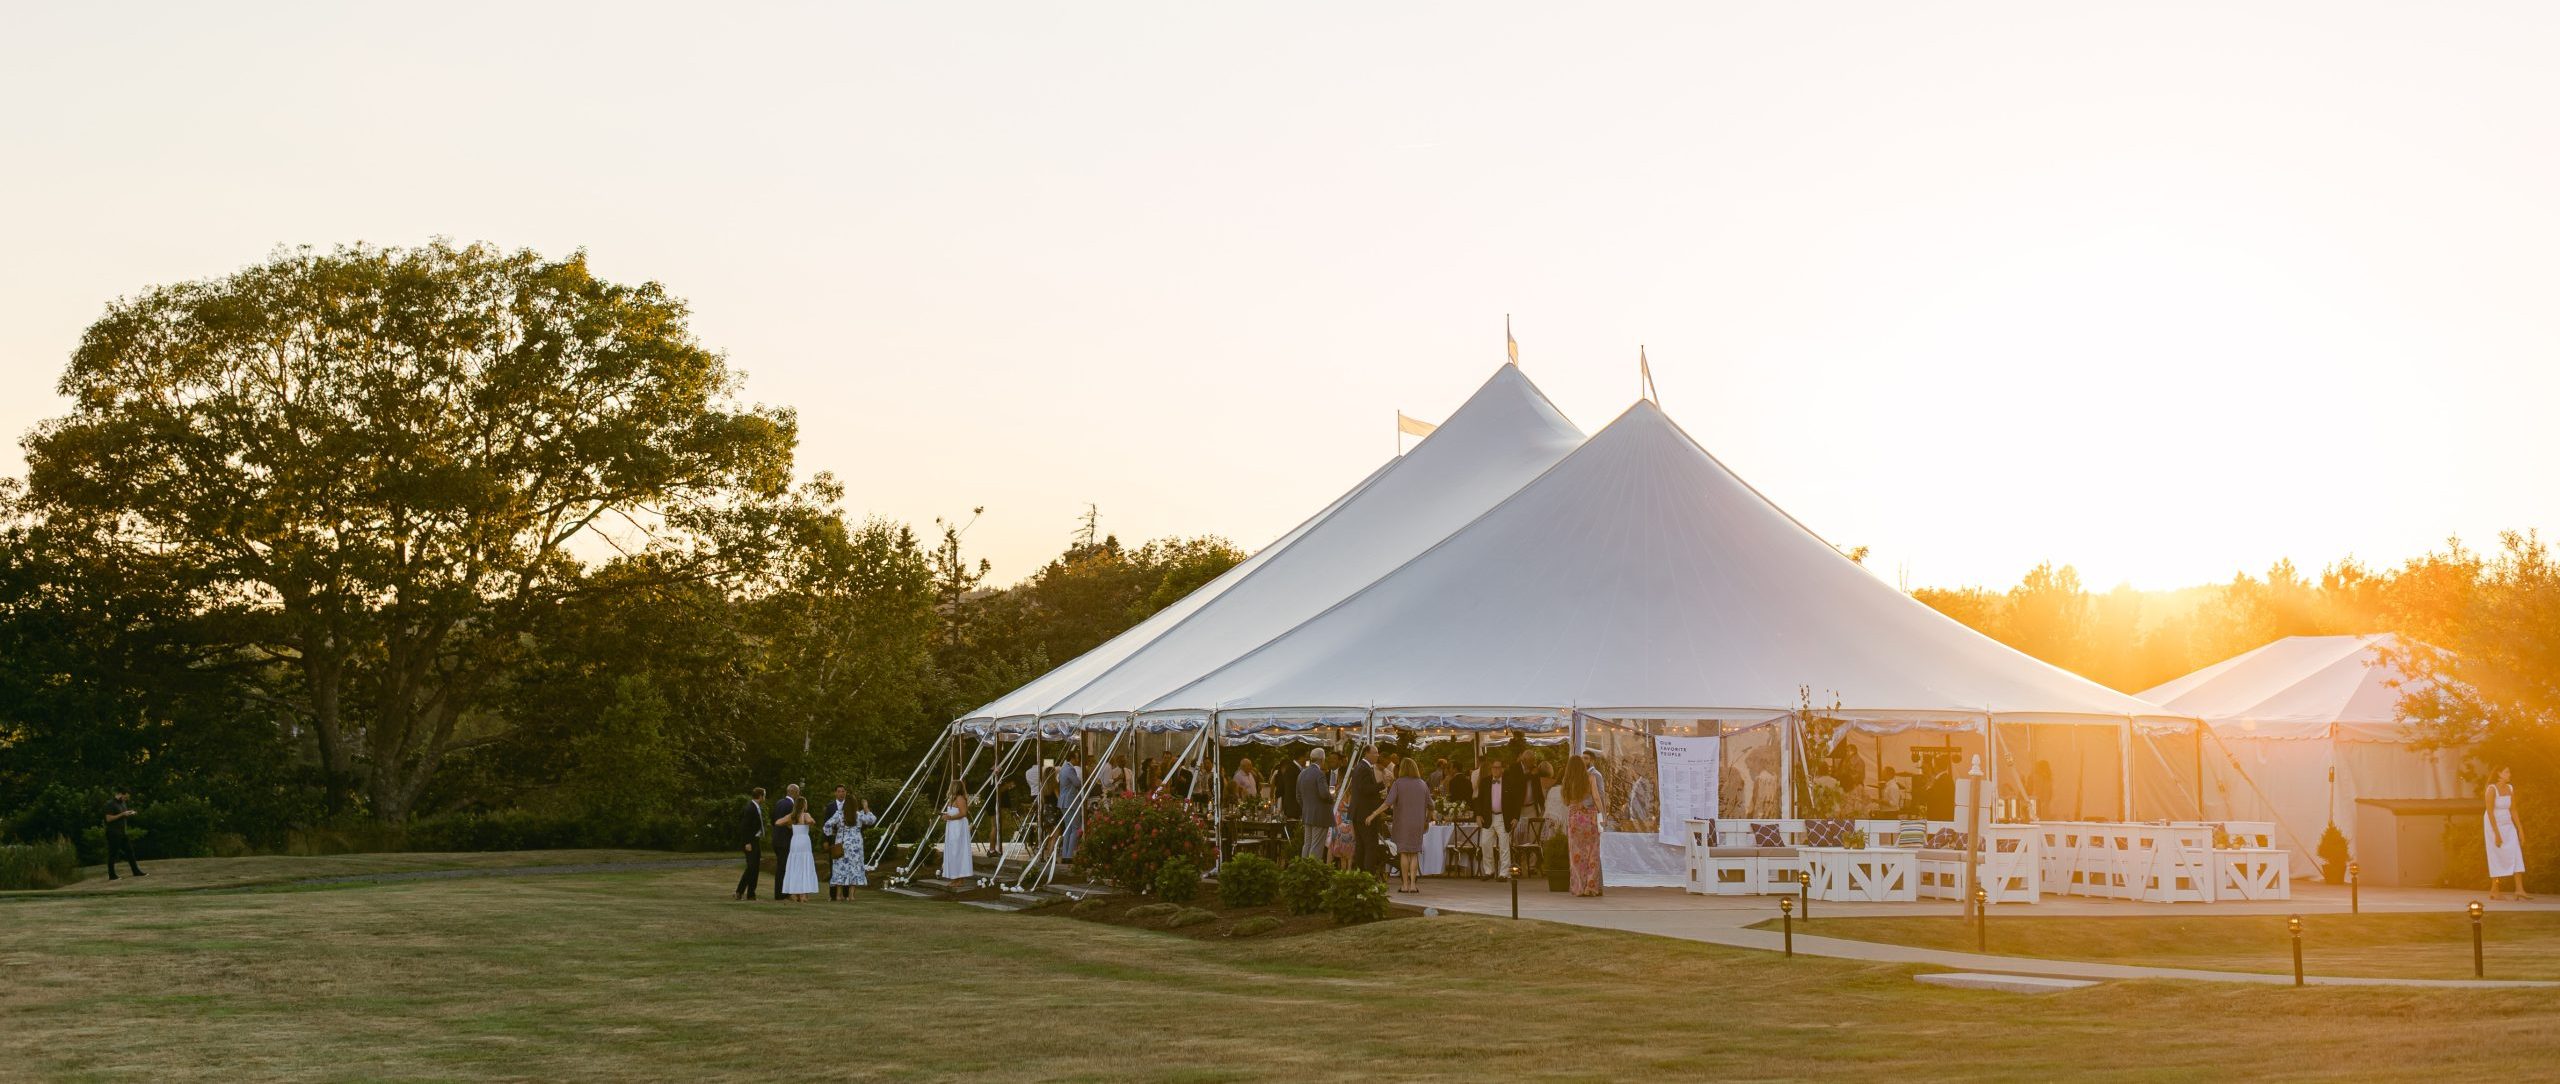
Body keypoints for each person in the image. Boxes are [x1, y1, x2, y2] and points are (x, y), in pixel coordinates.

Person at [1376, 757, 1431, 893]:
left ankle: (1405, 885)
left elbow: (1387, 803)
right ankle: (1413, 885)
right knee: (1414, 853)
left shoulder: (1398, 783)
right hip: (1417, 823)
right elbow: (1431, 805)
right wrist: (1427, 820)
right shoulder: (1422, 784)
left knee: (1404, 853)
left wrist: (1374, 813)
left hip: (1402, 823)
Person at [824, 788, 876, 901]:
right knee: (854, 868)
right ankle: (851, 896)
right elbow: (872, 820)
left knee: (840, 868)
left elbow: (827, 825)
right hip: (856, 845)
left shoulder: (839, 814)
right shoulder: (859, 815)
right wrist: (866, 807)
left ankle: (838, 895)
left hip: (842, 843)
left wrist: (832, 833)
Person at [2486, 766, 2529, 900]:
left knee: (2516, 851)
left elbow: (2513, 809)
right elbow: (2490, 812)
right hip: (2493, 824)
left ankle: (2519, 889)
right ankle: (2495, 889)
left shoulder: (2510, 788)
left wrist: (2520, 829)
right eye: (2507, 772)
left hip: (2508, 823)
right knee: (2496, 855)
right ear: (2499, 774)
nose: (2509, 774)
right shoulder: (2491, 789)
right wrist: (2497, 834)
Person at [1566, 753, 1604, 897]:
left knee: (1576, 854)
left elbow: (1566, 801)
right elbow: (1596, 797)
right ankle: (1590, 887)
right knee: (1592, 852)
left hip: (1574, 817)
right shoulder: (1590, 778)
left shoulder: (1567, 781)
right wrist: (1602, 814)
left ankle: (1578, 887)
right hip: (1589, 818)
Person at [1348, 747, 1386, 878]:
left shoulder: (1362, 767)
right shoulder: (1363, 768)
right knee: (1370, 845)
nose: (1377, 755)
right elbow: (1364, 789)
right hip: (1365, 813)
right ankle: (1368, 876)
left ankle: (1361, 874)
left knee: (1361, 845)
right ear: (1367, 753)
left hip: (1359, 812)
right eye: (1375, 753)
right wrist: (1382, 784)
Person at [778, 799, 821, 901]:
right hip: (804, 841)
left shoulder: (791, 816)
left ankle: (795, 893)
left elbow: (778, 822)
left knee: (795, 866)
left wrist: (788, 824)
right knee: (804, 866)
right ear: (804, 805)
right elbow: (811, 821)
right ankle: (803, 895)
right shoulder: (806, 815)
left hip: (795, 841)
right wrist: (809, 822)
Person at [101, 788, 145, 880]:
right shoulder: (110, 804)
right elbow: (108, 819)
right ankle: (112, 875)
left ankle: (136, 871)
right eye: (125, 797)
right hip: (113, 833)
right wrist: (123, 814)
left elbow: (123, 815)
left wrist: (130, 813)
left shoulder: (123, 804)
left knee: (130, 852)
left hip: (122, 832)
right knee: (113, 854)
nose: (126, 799)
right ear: (120, 794)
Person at [1298, 751, 1335, 860]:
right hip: (1320, 815)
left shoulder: (1302, 773)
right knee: (1316, 845)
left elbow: (1298, 796)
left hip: (1307, 814)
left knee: (1307, 844)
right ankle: (1313, 868)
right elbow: (1324, 794)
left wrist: (1306, 807)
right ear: (1322, 759)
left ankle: (1303, 867)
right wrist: (1331, 797)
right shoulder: (1320, 774)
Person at [769, 784, 802, 900]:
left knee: (781, 866)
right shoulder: (792, 806)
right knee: (783, 867)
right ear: (795, 792)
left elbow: (773, 820)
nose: (799, 794)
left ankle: (782, 892)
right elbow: (792, 823)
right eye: (798, 792)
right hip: (785, 840)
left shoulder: (779, 803)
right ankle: (781, 894)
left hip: (776, 839)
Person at [734, 787, 767, 900]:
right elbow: (744, 827)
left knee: (754, 867)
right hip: (750, 842)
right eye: (764, 795)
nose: (765, 798)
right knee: (752, 867)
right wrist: (747, 842)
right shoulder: (750, 808)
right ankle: (743, 892)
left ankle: (748, 893)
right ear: (760, 796)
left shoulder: (755, 807)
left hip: (755, 840)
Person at [940, 784, 974, 881]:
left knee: (958, 851)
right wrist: (945, 815)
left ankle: (960, 879)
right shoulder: (952, 799)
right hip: (952, 827)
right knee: (952, 852)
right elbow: (954, 812)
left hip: (959, 828)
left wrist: (950, 817)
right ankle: (955, 878)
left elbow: (963, 813)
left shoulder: (960, 798)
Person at [1055, 756, 1086, 862]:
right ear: (1072, 758)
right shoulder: (1070, 769)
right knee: (1075, 828)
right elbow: (1077, 783)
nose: (1078, 760)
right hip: (1071, 802)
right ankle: (1070, 855)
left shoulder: (1063, 768)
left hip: (1063, 802)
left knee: (1068, 828)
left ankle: (1065, 855)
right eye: (1076, 758)